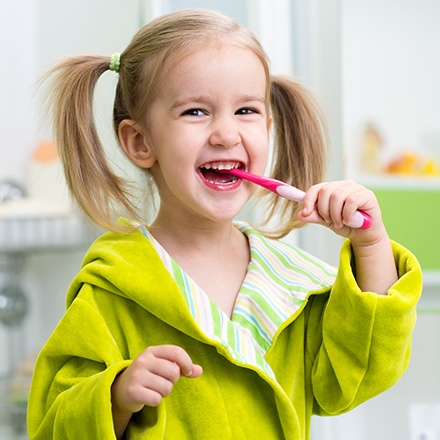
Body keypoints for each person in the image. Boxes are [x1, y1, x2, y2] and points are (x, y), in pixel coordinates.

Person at [27, 9, 422, 440]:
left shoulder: (292, 283)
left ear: (268, 128)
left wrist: (370, 246)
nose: (226, 134)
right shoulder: (111, 290)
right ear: (141, 142)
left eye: (246, 110)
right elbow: (53, 426)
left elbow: (359, 377)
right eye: (196, 112)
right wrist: (116, 397)